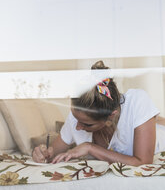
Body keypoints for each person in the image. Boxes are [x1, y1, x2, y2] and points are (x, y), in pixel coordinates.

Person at [32, 61, 161, 166]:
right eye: (76, 119)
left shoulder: (137, 101)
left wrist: (90, 147)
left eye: (87, 124)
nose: (77, 127)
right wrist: (41, 153)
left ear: (111, 116)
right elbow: (51, 155)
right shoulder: (78, 116)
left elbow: (143, 162)